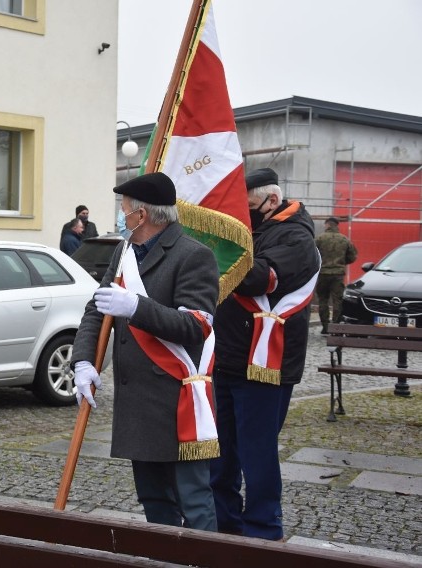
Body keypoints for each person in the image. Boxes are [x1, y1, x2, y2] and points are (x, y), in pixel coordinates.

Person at [72, 172, 220, 531]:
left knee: (193, 500)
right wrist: (83, 362)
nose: (120, 217)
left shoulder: (193, 256)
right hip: (137, 400)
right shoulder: (125, 253)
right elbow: (98, 309)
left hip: (176, 400)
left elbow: (195, 327)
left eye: (123, 210)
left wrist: (137, 307)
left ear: (143, 215)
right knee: (154, 500)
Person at [210, 167, 321, 541]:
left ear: (272, 201)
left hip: (265, 365)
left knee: (256, 454)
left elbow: (262, 277)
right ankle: (223, 524)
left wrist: (210, 252)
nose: (243, 216)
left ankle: (262, 532)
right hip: (227, 355)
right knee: (220, 453)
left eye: (250, 207)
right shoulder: (258, 226)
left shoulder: (296, 236)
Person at [315, 216, 357, 333]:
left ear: (327, 224)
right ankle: (336, 326)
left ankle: (325, 327)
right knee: (337, 300)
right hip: (338, 274)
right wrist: (342, 263)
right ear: (336, 225)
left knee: (323, 300)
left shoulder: (319, 239)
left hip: (322, 273)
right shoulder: (344, 240)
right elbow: (353, 256)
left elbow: (312, 255)